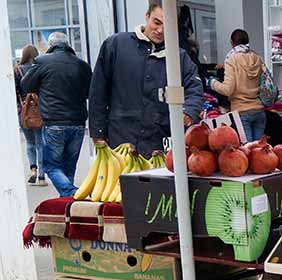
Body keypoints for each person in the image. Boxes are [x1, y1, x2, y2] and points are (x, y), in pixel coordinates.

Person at [88, 0, 205, 157]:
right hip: (121, 137)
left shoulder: (179, 56)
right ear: (147, 16)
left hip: (159, 140)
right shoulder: (116, 45)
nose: (160, 30)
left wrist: (190, 110)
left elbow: (194, 87)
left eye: (167, 25)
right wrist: (97, 131)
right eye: (156, 22)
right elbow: (98, 90)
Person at [19, 33, 92, 199]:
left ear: (51, 45)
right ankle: (68, 203)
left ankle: (72, 193)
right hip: (78, 123)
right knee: (69, 167)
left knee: (50, 166)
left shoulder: (42, 61)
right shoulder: (81, 65)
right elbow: (90, 92)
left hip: (54, 122)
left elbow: (26, 85)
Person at [208, 29, 267, 142]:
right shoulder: (258, 58)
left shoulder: (232, 60)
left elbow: (227, 90)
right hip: (260, 111)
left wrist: (212, 83)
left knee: (248, 152)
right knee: (259, 152)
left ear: (232, 43)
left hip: (242, 112)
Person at [14, 45, 44, 186]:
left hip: (23, 112)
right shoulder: (39, 68)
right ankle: (42, 175)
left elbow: (15, 92)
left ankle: (33, 169)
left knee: (30, 142)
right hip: (38, 111)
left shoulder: (17, 70)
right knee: (40, 143)